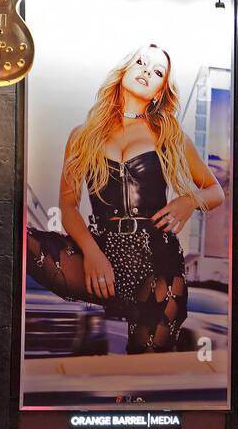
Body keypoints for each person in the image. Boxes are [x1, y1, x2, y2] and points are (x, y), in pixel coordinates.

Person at [35, 43, 226, 356]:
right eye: (141, 62)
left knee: (146, 363)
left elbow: (215, 190)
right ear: (125, 70)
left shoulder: (168, 133)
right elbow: (68, 208)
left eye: (157, 71)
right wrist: (92, 253)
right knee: (30, 243)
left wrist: (188, 201)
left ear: (160, 90)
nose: (146, 71)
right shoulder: (82, 135)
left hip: (156, 257)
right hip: (103, 252)